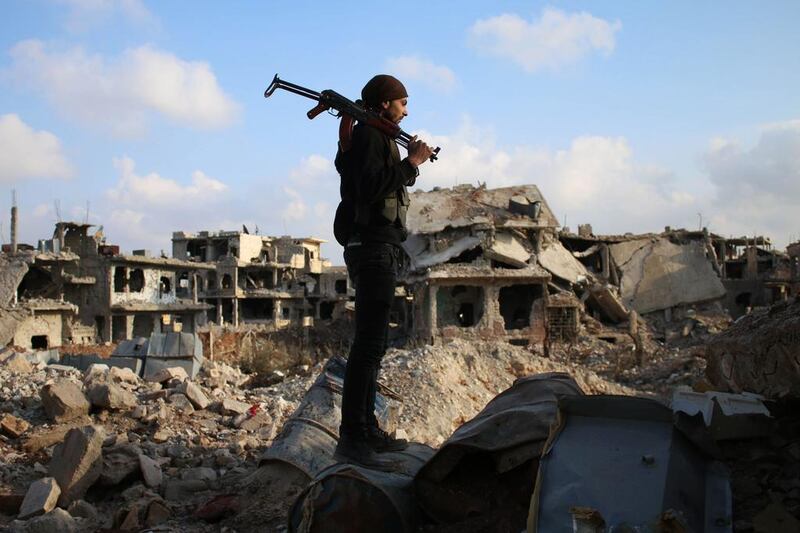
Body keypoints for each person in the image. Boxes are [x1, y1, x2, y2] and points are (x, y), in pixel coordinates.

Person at [333, 74, 434, 468]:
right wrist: (412, 163)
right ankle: (353, 438)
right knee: (368, 346)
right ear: (385, 103)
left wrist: (406, 158)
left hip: (380, 248)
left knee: (374, 347)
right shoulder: (371, 137)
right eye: (402, 102)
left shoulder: (376, 136)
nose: (406, 111)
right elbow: (368, 187)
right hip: (372, 248)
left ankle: (367, 429)